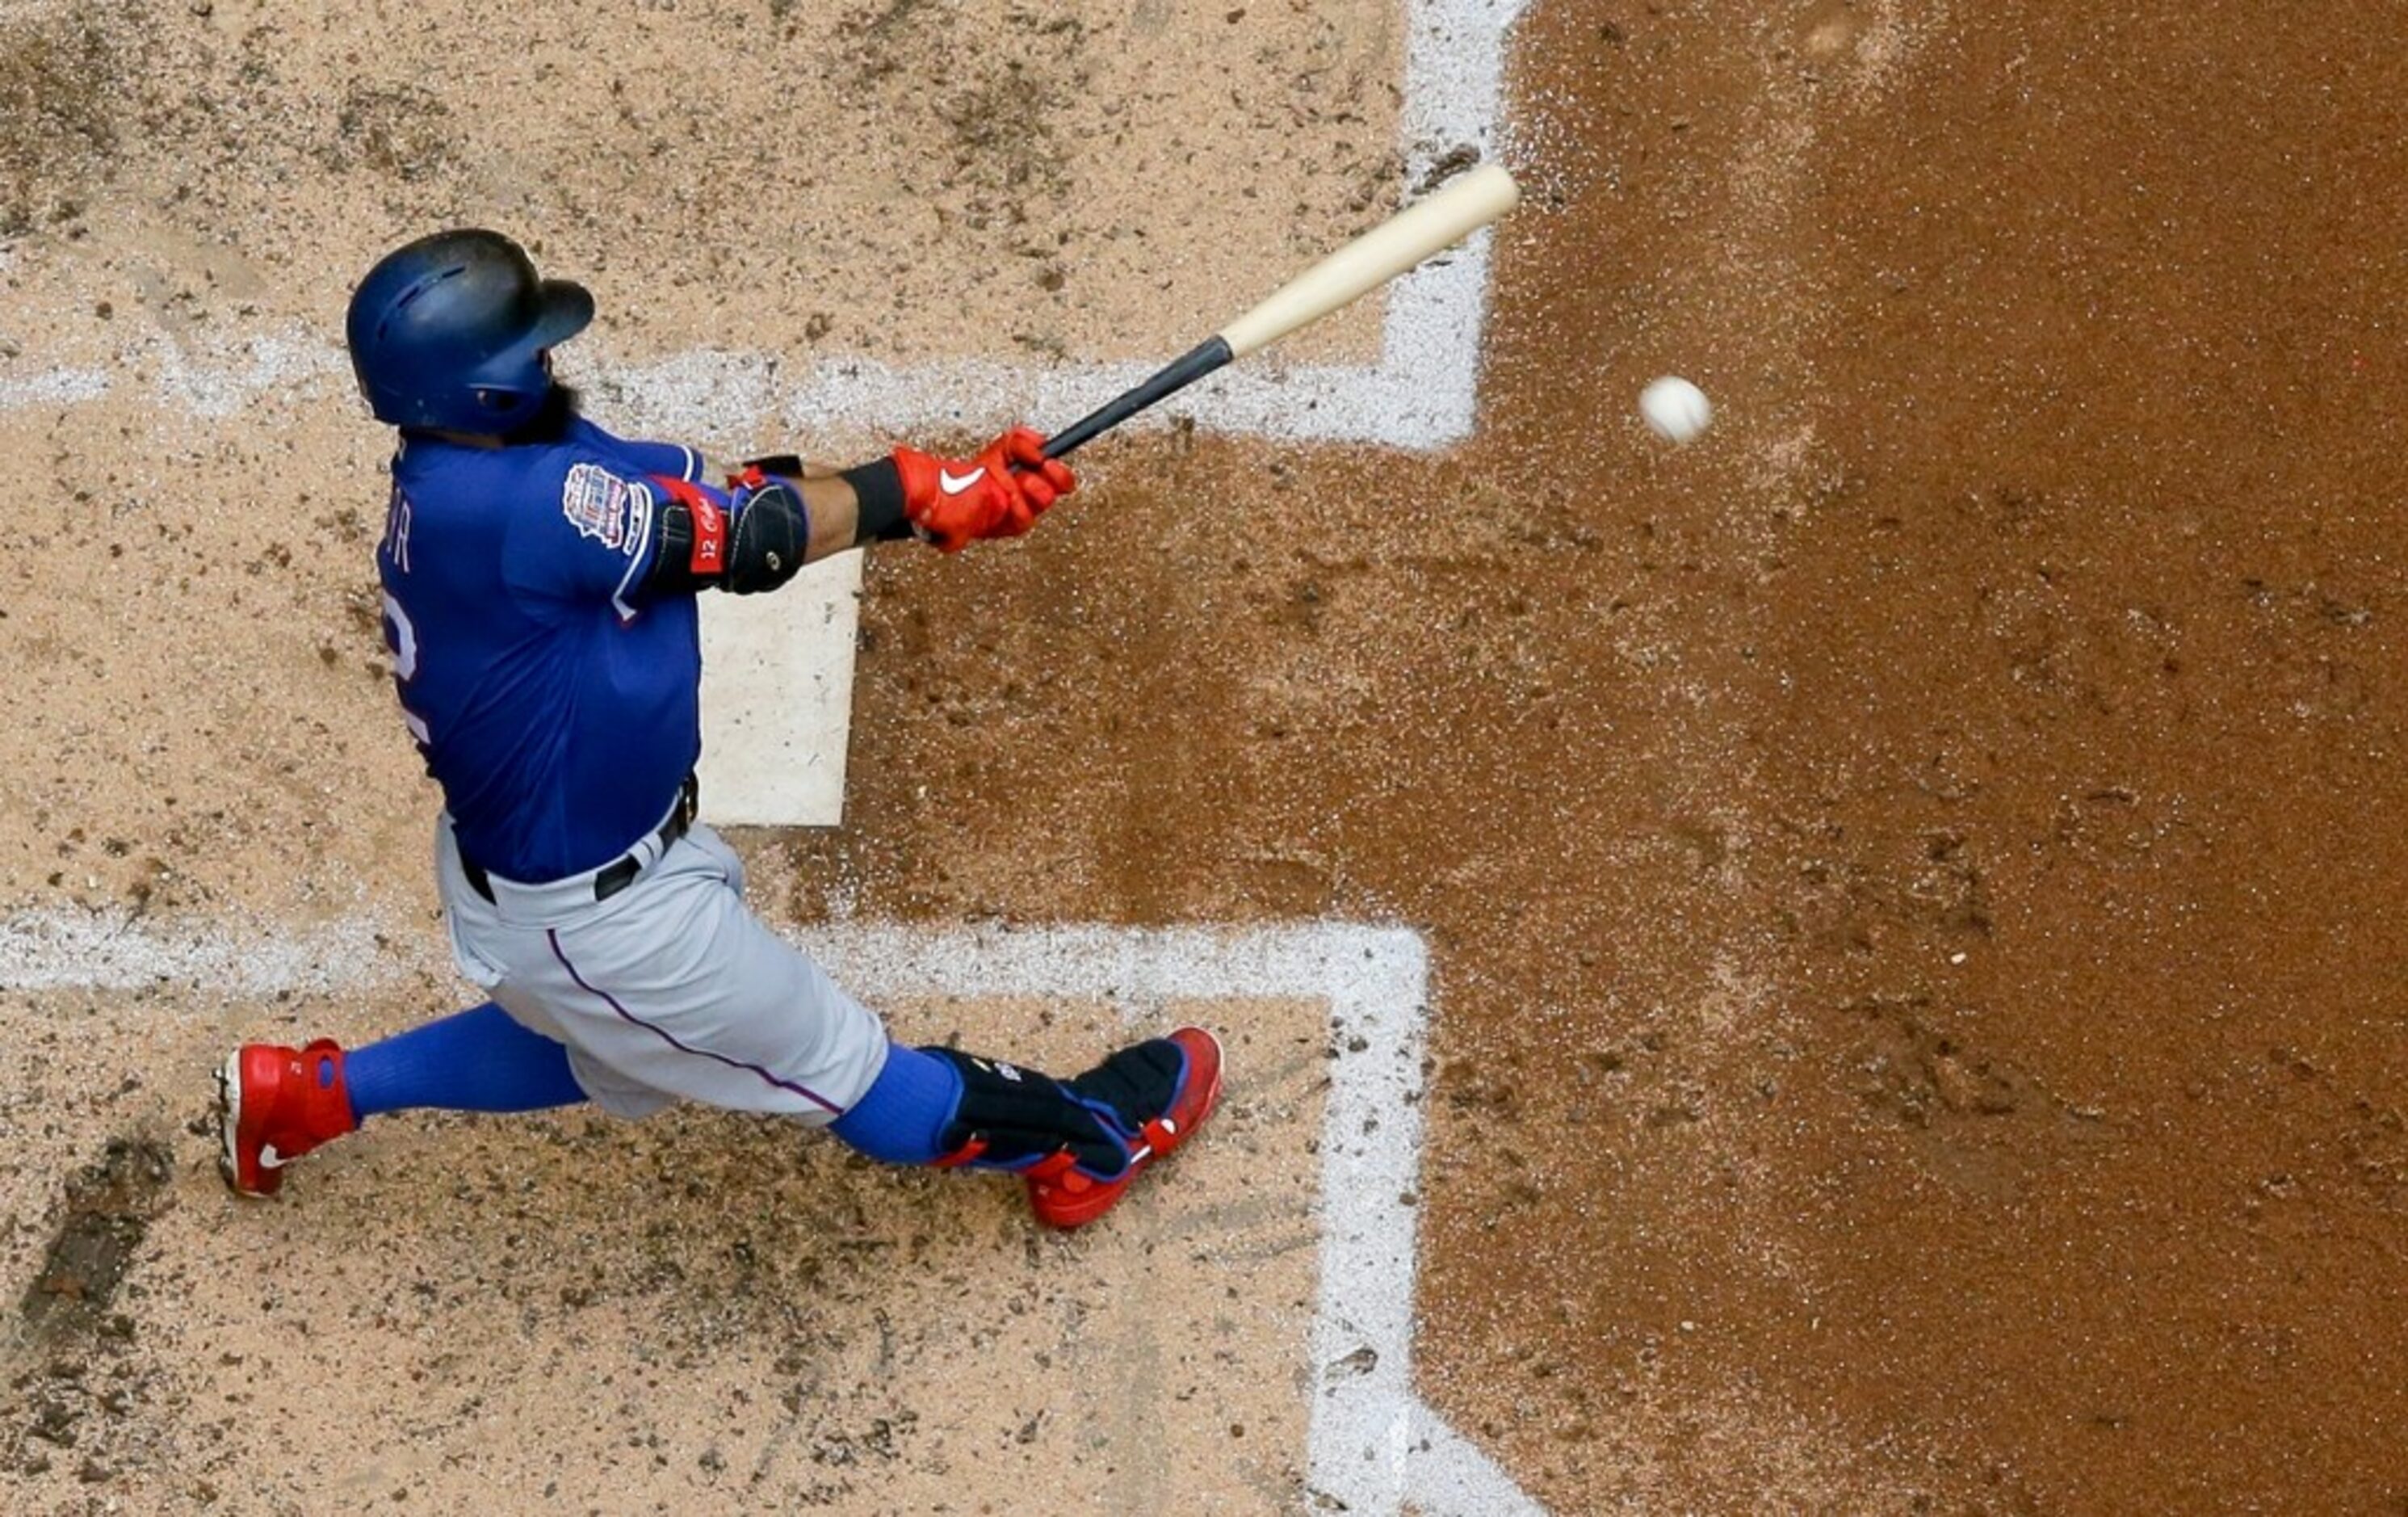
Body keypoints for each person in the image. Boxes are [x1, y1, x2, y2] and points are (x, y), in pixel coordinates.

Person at [215, 228, 1222, 1230]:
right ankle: (1087, 1141)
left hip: (577, 881)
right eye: (529, 350)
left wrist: (938, 497)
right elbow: (749, 541)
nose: (550, 358)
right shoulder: (510, 507)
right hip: (607, 923)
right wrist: (910, 487)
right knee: (853, 1070)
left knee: (613, 1049)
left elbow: (733, 496)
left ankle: (311, 1096)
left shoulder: (512, 460)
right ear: (480, 388)